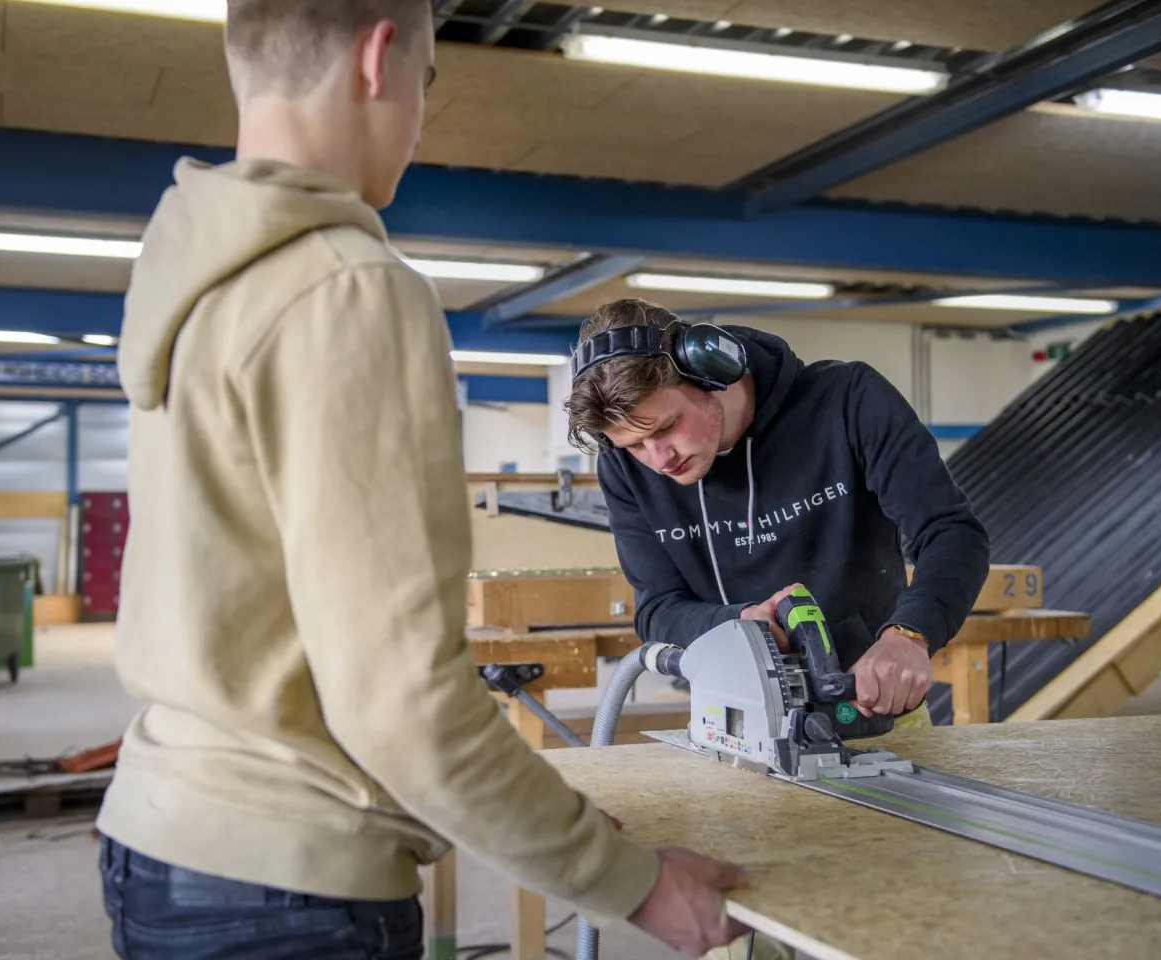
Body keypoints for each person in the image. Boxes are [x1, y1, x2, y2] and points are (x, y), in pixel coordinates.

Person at [96, 4, 748, 958]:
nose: (418, 113)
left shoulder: (195, 280)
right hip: (291, 880)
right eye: (429, 80)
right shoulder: (348, 288)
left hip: (159, 842)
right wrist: (634, 886)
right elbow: (399, 695)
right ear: (377, 56)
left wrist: (547, 819)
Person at [567, 299, 992, 728]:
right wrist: (737, 623)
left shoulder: (848, 403)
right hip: (733, 724)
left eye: (666, 427)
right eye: (634, 445)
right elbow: (657, 608)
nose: (658, 460)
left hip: (874, 709)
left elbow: (951, 532)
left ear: (712, 370)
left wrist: (910, 634)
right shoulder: (623, 469)